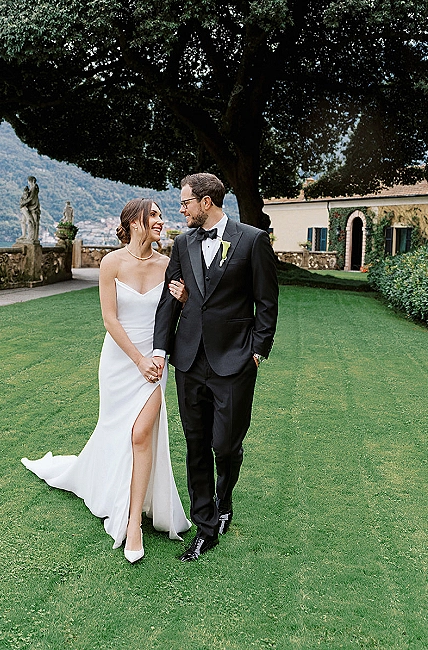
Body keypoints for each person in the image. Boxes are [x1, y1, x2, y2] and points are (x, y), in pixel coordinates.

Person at [21, 198, 191, 562]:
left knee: (142, 434)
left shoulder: (169, 264)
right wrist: (137, 359)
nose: (161, 221)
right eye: (155, 215)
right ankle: (108, 489)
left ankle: (133, 524)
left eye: (163, 215)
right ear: (134, 222)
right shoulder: (110, 263)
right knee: (118, 433)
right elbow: (110, 320)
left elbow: (183, 314)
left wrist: (186, 300)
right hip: (121, 361)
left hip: (156, 361)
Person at [153, 173, 278, 562]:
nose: (181, 209)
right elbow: (169, 301)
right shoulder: (182, 243)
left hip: (234, 360)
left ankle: (225, 501)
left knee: (224, 445)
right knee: (195, 444)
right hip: (189, 359)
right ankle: (205, 526)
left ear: (206, 202)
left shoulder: (252, 240)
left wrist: (257, 351)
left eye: (186, 202)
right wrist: (161, 349)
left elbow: (266, 302)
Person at [19, 176, 41, 241]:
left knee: (31, 222)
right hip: (27, 207)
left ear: (30, 181)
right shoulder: (32, 188)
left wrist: (23, 203)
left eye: (29, 181)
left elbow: (30, 198)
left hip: (32, 208)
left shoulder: (33, 188)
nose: (28, 183)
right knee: (23, 221)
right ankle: (25, 235)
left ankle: (31, 237)